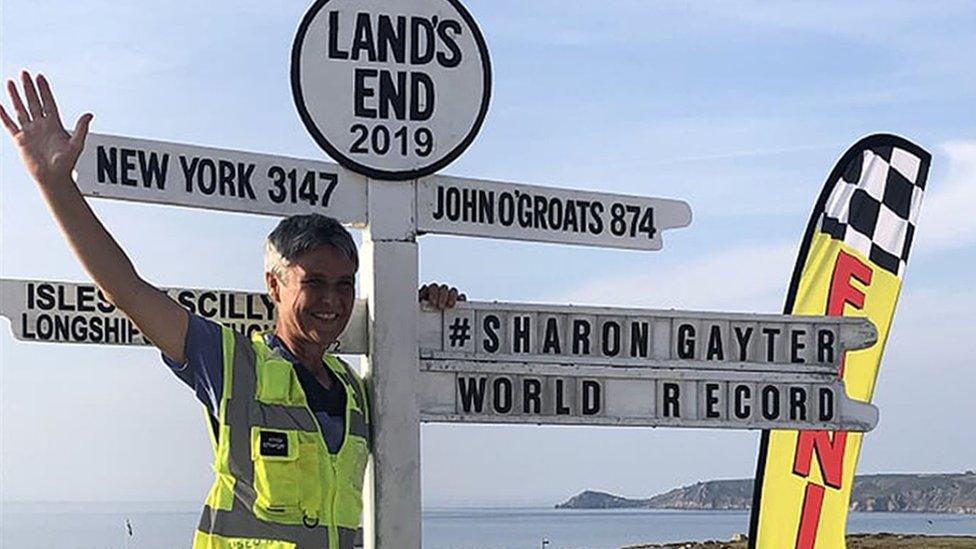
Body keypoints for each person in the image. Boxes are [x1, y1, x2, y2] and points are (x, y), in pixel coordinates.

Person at [1, 71, 464, 548]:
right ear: (275, 285)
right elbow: (128, 291)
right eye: (315, 283)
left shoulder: (354, 389)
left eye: (345, 285)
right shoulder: (231, 363)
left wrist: (424, 310)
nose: (333, 300)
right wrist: (55, 185)